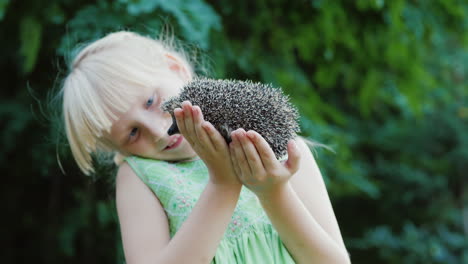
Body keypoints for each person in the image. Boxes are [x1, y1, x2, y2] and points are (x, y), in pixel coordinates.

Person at [61, 31, 351, 264]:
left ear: (175, 69)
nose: (159, 131)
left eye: (151, 102)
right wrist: (223, 184)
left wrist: (273, 192)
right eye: (132, 133)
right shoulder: (140, 176)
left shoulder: (278, 151)